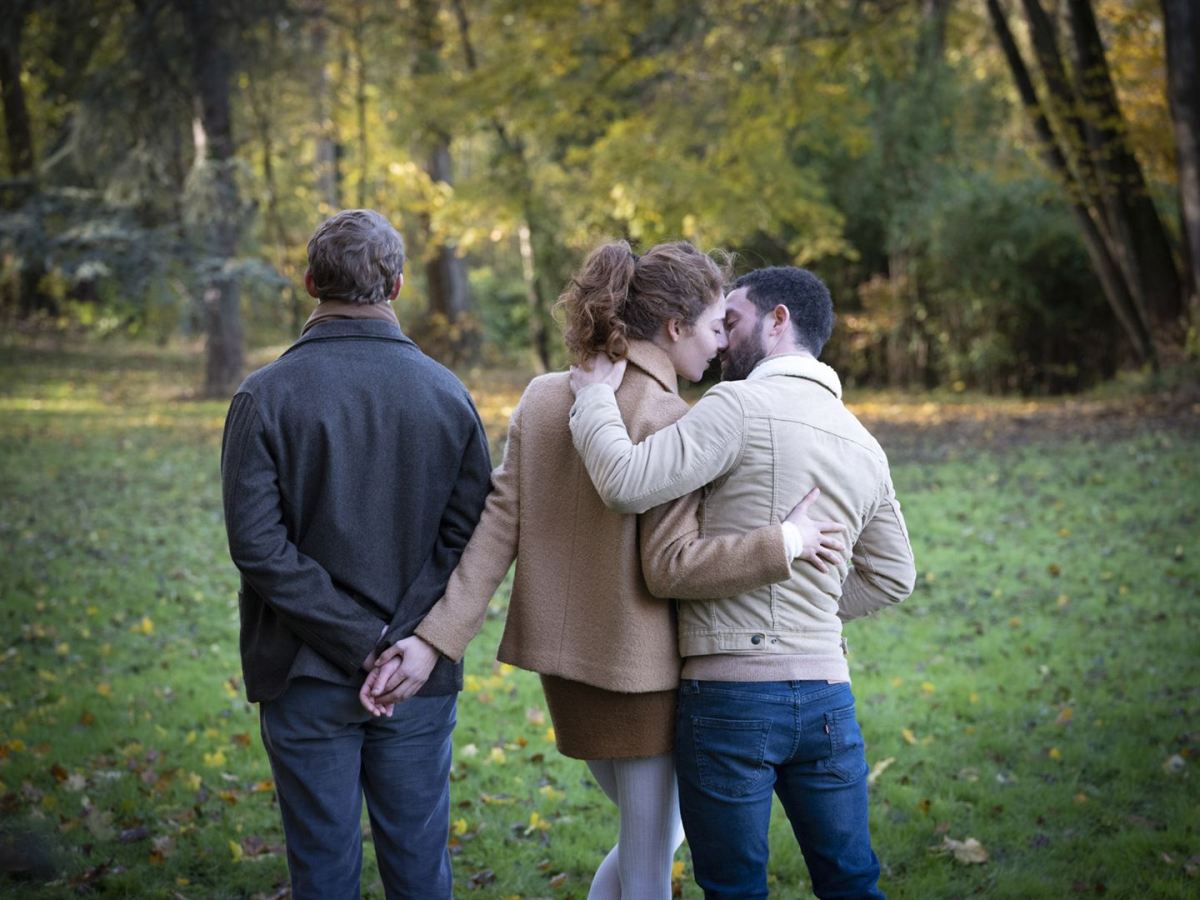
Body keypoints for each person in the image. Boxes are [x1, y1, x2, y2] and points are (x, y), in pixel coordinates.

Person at [361, 242, 847, 899]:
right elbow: (675, 564)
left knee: (649, 845)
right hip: (643, 679)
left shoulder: (543, 397)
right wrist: (782, 543)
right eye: (713, 328)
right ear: (674, 328)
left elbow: (495, 532)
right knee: (649, 869)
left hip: (566, 677)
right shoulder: (671, 418)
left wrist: (436, 639)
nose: (719, 347)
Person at [566, 266, 917, 899]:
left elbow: (624, 482)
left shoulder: (737, 406)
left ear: (779, 320)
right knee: (852, 883)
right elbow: (894, 576)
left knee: (734, 890)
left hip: (731, 699)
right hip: (829, 698)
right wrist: (809, 610)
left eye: (732, 321)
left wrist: (593, 398)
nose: (722, 340)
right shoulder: (863, 442)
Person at [220, 209, 491, 899]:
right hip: (414, 672)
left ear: (311, 283)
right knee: (420, 869)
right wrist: (403, 643)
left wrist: (363, 640)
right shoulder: (448, 395)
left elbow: (257, 546)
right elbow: (469, 539)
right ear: (396, 287)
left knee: (322, 872)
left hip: (306, 669)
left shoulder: (263, 395)